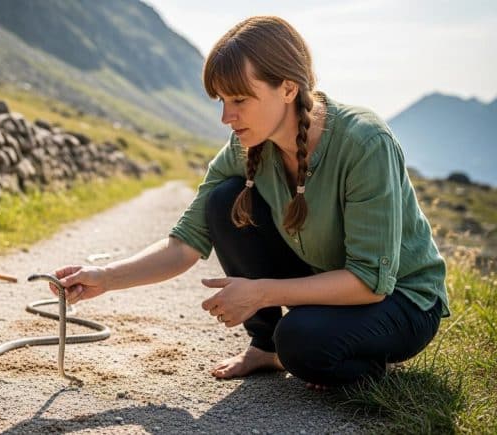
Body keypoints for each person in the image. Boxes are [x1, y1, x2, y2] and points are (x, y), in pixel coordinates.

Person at [48, 16, 449, 389]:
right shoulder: (247, 145)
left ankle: (351, 358)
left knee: (301, 342)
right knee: (224, 201)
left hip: (401, 300)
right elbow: (184, 245)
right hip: (332, 279)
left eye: (239, 99)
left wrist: (260, 292)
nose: (227, 116)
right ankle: (266, 348)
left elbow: (370, 282)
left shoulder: (365, 143)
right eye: (221, 100)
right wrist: (105, 276)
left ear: (289, 88)